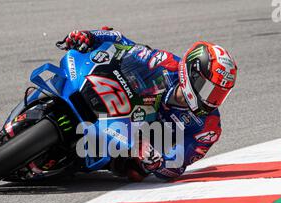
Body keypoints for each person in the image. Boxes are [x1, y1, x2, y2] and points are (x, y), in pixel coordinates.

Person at [58, 27, 237, 181]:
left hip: (133, 144)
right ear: (193, 73)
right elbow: (124, 43)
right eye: (209, 88)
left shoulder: (208, 127)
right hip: (117, 105)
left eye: (220, 93)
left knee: (135, 172)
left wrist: (157, 161)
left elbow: (177, 165)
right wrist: (90, 36)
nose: (212, 98)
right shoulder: (164, 62)